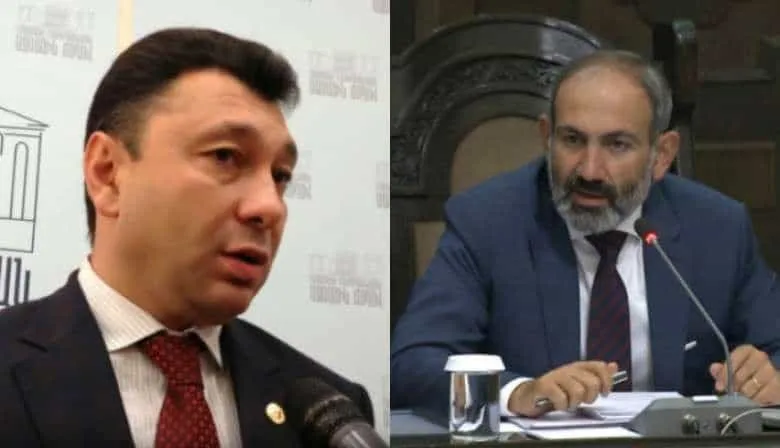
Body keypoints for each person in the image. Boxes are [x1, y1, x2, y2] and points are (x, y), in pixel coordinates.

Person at [0, 27, 374, 446]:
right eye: (225, 156)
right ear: (107, 173)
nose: (269, 206)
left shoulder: (331, 417)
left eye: (280, 175)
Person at [390, 49, 780, 419]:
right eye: (573, 140)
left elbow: (775, 347)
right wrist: (515, 393)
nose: (590, 170)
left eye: (617, 145)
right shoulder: (488, 222)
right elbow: (413, 363)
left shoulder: (717, 228)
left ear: (661, 155)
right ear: (547, 137)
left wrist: (767, 376)